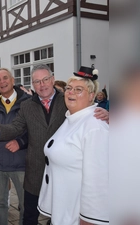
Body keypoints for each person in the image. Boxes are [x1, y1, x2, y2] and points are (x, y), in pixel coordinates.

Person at [0, 64, 109, 225]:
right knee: (30, 216)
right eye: (37, 81)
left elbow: (98, 175)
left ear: (53, 79)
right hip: (35, 173)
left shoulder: (67, 101)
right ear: (32, 85)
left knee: (61, 215)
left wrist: (108, 115)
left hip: (64, 177)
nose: (42, 85)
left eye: (45, 80)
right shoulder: (27, 104)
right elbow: (15, 127)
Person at [38, 69, 109, 224]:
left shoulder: (94, 126)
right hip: (64, 208)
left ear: (91, 95)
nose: (71, 93)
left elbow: (98, 181)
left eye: (79, 90)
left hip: (77, 216)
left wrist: (89, 219)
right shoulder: (73, 118)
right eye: (69, 88)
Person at [0, 68, 31, 225]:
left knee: (26, 205)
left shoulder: (28, 102)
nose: (2, 82)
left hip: (21, 162)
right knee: (0, 204)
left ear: (13, 80)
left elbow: (35, 129)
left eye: (5, 78)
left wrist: (20, 142)